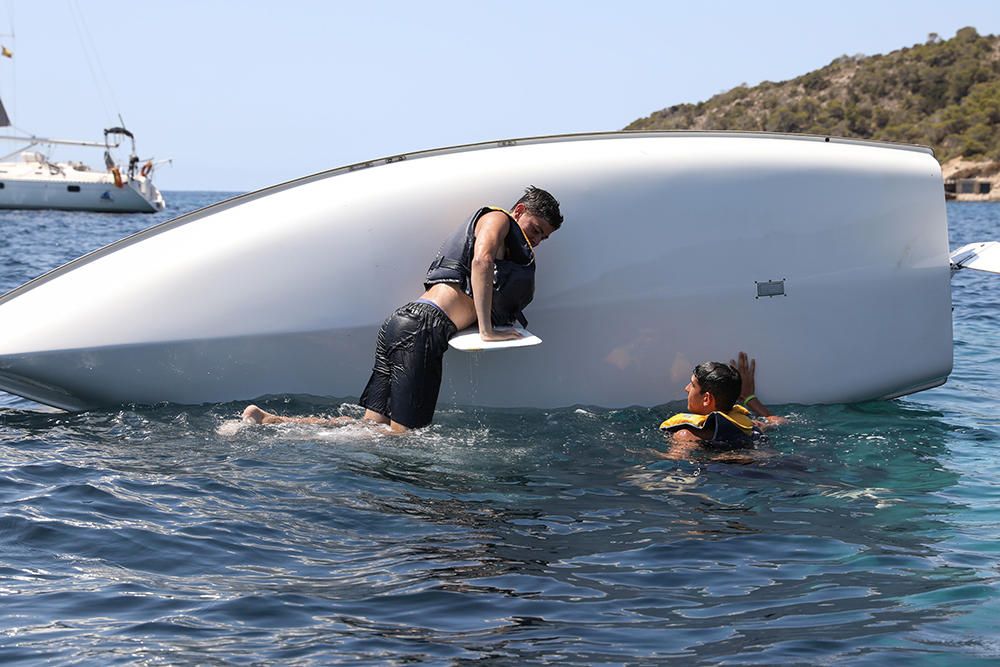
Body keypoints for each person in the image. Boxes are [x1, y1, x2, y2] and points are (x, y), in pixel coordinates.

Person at [243, 186, 564, 432]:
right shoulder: (497, 219)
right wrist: (486, 330)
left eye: (543, 238)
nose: (536, 240)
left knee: (371, 428)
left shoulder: (509, 237)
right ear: (519, 210)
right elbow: (481, 261)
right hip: (423, 330)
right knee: (405, 438)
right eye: (535, 229)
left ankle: (268, 421)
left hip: (402, 324)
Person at [656, 351, 786, 459]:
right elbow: (779, 420)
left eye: (693, 385)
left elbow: (675, 464)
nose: (686, 388)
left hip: (728, 473)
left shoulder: (686, 435)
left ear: (706, 398)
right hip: (767, 463)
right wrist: (750, 398)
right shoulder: (751, 425)